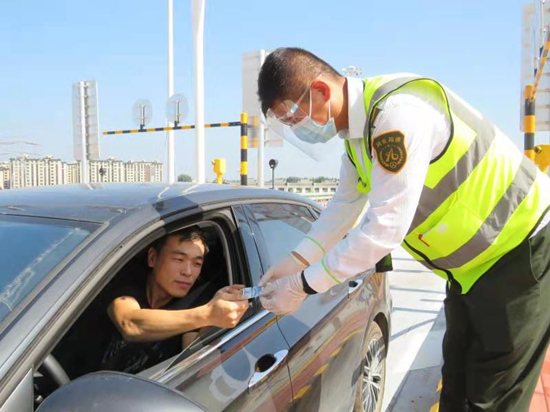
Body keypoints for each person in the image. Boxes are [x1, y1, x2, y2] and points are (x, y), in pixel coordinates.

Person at [257, 47, 550, 411]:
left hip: (519, 248)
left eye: (294, 117)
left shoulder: (397, 115)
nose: (298, 128)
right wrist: (295, 260)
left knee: (496, 393)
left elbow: (384, 229)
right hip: (470, 269)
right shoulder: (356, 140)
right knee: (456, 381)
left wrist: (302, 285)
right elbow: (341, 210)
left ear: (320, 90)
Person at [102, 228, 249, 374]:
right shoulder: (129, 279)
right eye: (179, 259)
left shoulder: (198, 298)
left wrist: (214, 319)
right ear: (152, 258)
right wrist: (207, 314)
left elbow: (192, 360)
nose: (188, 272)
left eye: (197, 263)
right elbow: (129, 323)